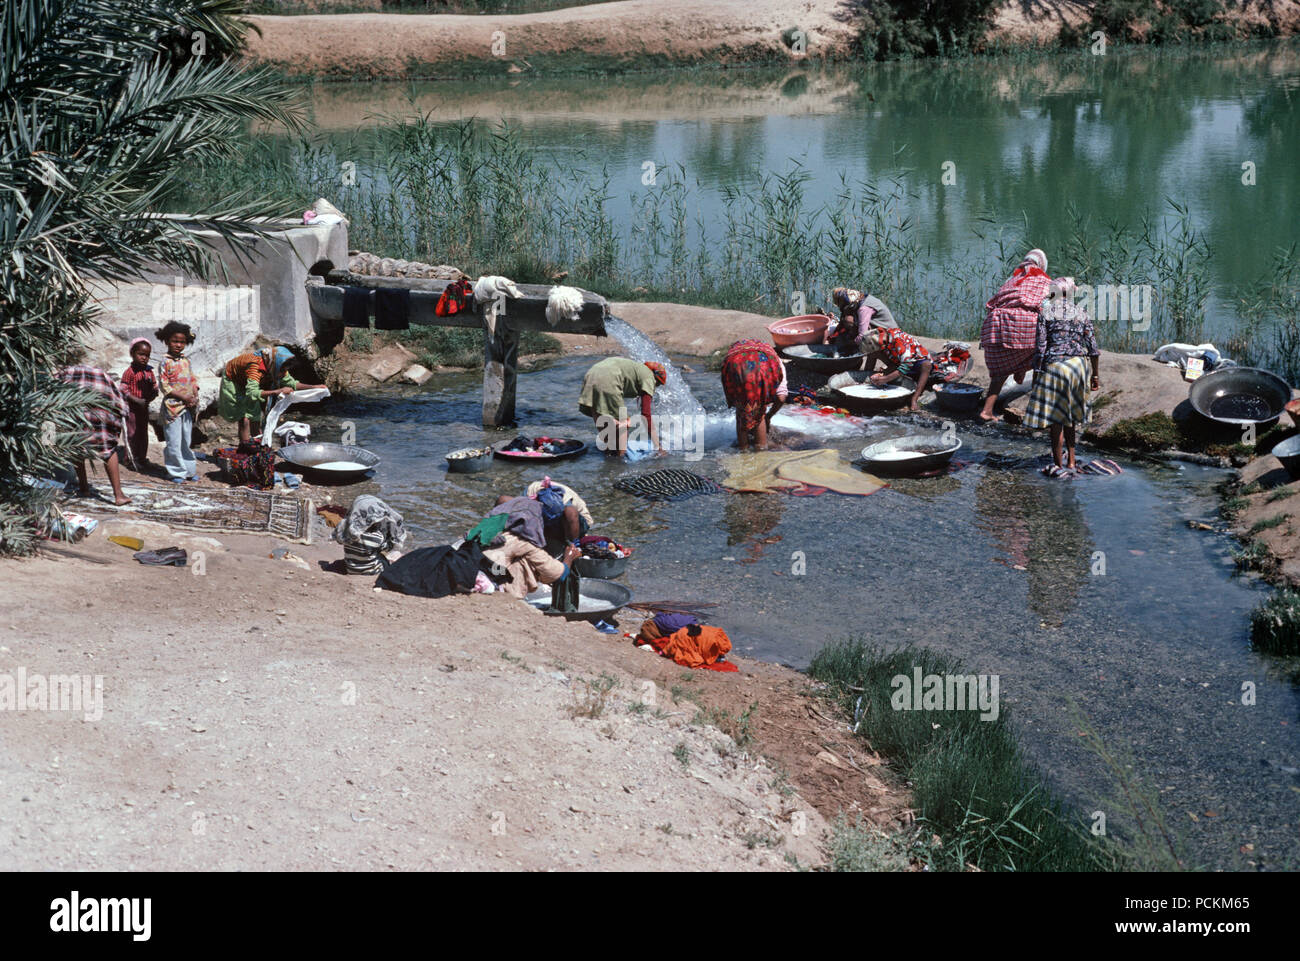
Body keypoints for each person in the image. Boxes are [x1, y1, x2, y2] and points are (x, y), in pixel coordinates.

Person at [1022, 277, 1101, 476]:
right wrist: (1095, 376)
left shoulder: (1046, 312)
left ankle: (1058, 463)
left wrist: (1037, 373)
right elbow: (1093, 349)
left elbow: (1040, 348)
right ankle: (1072, 462)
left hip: (1055, 365)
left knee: (1056, 421)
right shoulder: (1081, 312)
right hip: (1077, 366)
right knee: (1070, 419)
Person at [979, 249, 1053, 422]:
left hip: (996, 327)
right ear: (1042, 264)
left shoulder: (1012, 279)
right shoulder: (1044, 281)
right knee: (1043, 353)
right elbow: (1048, 307)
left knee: (1000, 372)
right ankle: (1036, 407)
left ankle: (987, 410)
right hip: (1023, 327)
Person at [55, 364, 131, 506]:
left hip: (77, 415)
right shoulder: (101, 373)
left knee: (77, 448)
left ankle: (84, 488)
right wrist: (120, 416)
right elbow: (119, 398)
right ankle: (118, 495)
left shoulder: (64, 372)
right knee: (109, 451)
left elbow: (51, 395)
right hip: (102, 415)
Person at [219, 345, 323, 445]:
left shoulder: (276, 365)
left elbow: (292, 383)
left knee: (255, 415)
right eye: (282, 370)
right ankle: (245, 447)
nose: (283, 373)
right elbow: (252, 393)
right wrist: (277, 391)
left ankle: (257, 443)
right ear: (276, 364)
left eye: (285, 370)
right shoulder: (255, 367)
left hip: (250, 382)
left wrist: (314, 387)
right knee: (244, 418)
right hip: (234, 380)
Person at [577, 357, 666, 456]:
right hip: (609, 378)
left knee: (599, 412)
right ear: (656, 379)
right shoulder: (649, 377)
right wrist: (658, 446)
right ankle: (620, 463)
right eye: (657, 385)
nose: (654, 388)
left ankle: (608, 453)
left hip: (591, 374)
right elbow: (646, 414)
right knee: (624, 422)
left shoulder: (637, 369)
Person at [720, 338, 788, 451]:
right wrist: (768, 416)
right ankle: (760, 452)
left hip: (734, 363)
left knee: (742, 409)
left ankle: (743, 451)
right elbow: (781, 398)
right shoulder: (775, 362)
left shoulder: (773, 360)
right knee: (759, 412)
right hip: (761, 364)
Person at [155, 321, 200, 482]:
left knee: (186, 441)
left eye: (182, 342)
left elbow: (192, 379)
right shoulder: (165, 362)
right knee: (173, 441)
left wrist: (194, 394)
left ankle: (189, 470)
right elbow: (165, 386)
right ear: (167, 341)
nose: (178, 345)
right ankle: (176, 472)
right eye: (175, 341)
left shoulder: (186, 360)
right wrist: (183, 397)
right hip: (172, 409)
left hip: (187, 408)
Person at [861, 325, 933, 411]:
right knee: (872, 354)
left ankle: (914, 399)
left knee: (926, 365)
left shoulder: (899, 341)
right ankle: (865, 377)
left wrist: (886, 379)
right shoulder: (882, 336)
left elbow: (906, 365)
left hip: (915, 364)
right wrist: (881, 374)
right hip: (897, 360)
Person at [524, 478, 593, 551]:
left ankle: (566, 541)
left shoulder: (566, 504)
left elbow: (573, 517)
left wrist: (574, 546)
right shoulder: (529, 493)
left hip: (578, 520)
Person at [825, 287, 898, 356]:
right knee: (847, 320)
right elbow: (842, 322)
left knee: (849, 321)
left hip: (890, 336)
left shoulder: (864, 309)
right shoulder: (858, 299)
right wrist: (833, 336)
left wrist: (850, 343)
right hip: (879, 329)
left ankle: (859, 350)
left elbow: (862, 335)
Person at [119, 338, 158, 468]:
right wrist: (137, 400)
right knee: (131, 434)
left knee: (142, 432)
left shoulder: (149, 372)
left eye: (147, 355)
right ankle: (129, 459)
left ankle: (141, 457)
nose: (144, 358)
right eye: (141, 354)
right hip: (132, 409)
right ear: (132, 354)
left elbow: (154, 386)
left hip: (143, 408)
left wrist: (152, 395)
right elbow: (123, 389)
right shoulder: (129, 372)